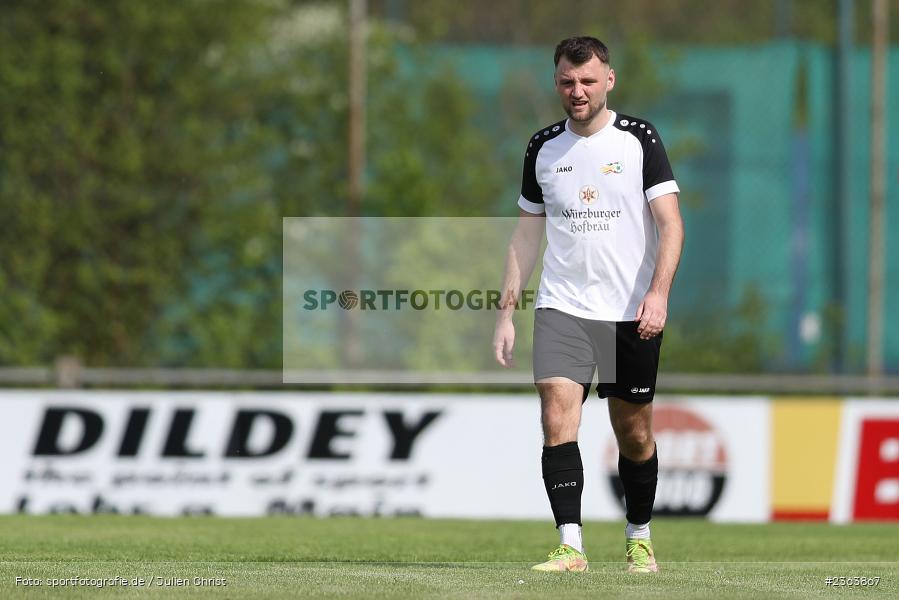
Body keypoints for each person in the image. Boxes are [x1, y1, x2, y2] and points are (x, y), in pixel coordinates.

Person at [493, 36, 684, 574]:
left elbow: (670, 224)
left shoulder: (639, 139)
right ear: (556, 83)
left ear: (609, 80)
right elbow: (526, 235)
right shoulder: (543, 147)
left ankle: (639, 535)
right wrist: (507, 312)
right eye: (566, 82)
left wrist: (659, 293)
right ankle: (570, 545)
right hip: (562, 305)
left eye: (587, 81)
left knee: (634, 431)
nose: (577, 91)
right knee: (557, 416)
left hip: (629, 312)